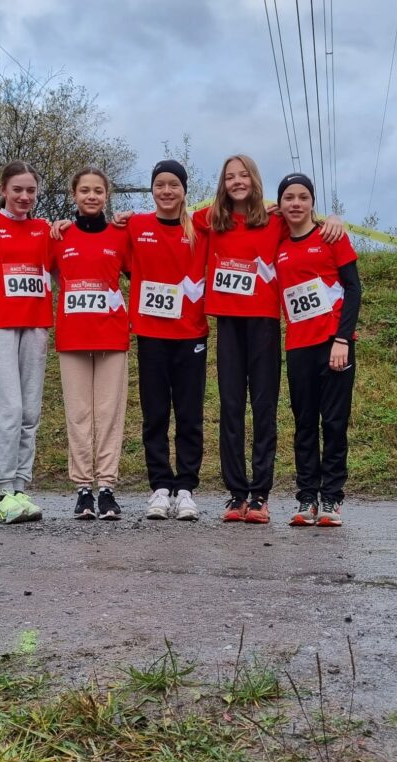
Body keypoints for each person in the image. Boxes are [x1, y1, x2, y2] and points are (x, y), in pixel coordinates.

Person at [193, 155, 343, 524]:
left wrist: (333, 219)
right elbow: (169, 214)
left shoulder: (274, 218)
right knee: (230, 408)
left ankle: (260, 494)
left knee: (264, 409)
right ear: (222, 183)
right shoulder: (211, 218)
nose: (237, 181)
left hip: (264, 322)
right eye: (230, 176)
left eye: (244, 175)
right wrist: (125, 218)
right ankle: (235, 494)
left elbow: (305, 221)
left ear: (254, 179)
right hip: (229, 323)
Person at [274, 173, 361, 527]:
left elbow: (354, 289)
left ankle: (332, 499)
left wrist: (342, 338)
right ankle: (307, 497)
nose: (296, 203)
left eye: (303, 197)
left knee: (335, 423)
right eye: (288, 198)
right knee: (304, 424)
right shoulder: (277, 241)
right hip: (298, 346)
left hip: (334, 345)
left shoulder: (331, 236)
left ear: (312, 202)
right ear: (280, 204)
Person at [0, 160, 51, 524]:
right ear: (2, 190)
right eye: (17, 189)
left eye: (30, 190)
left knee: (30, 412)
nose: (24, 196)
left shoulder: (45, 229)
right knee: (9, 411)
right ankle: (3, 491)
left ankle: (20, 487)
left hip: (36, 324)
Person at [126, 160, 208, 521]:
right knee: (155, 414)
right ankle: (160, 486)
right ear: (152, 190)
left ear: (184, 190)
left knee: (189, 415)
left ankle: (186, 488)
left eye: (173, 184)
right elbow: (97, 238)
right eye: (159, 184)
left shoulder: (201, 227)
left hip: (191, 333)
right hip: (151, 335)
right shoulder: (136, 225)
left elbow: (243, 216)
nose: (166, 191)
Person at [50, 167, 132, 520]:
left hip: (112, 335)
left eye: (98, 190)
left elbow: (143, 271)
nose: (92, 196)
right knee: (79, 414)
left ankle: (108, 488)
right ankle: (83, 488)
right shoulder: (57, 236)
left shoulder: (120, 234)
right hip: (73, 337)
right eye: (85, 190)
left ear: (107, 195)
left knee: (110, 414)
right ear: (74, 195)